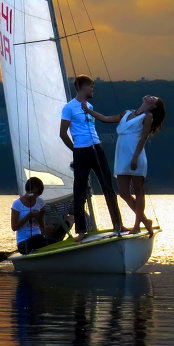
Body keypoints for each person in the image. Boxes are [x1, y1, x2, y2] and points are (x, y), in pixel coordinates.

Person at [84, 95, 165, 235]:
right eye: (151, 96)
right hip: (121, 155)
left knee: (138, 190)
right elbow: (106, 118)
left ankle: (137, 225)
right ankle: (146, 221)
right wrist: (88, 110)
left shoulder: (148, 116)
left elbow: (144, 137)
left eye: (154, 99)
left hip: (136, 154)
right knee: (123, 192)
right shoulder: (127, 113)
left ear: (154, 106)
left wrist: (135, 157)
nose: (151, 98)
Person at [59, 75, 124, 241]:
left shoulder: (90, 106)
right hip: (81, 150)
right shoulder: (69, 107)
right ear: (82, 87)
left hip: (97, 148)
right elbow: (63, 133)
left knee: (108, 187)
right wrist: (75, 150)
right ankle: (81, 230)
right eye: (91, 86)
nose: (93, 89)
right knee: (79, 191)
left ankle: (118, 224)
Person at [10, 176, 66, 255]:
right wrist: (28, 216)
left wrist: (39, 218)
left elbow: (42, 228)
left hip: (39, 239)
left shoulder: (40, 202)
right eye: (34, 193)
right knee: (38, 238)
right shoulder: (17, 204)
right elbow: (14, 227)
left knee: (56, 242)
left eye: (38, 194)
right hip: (24, 242)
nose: (35, 196)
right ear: (28, 190)